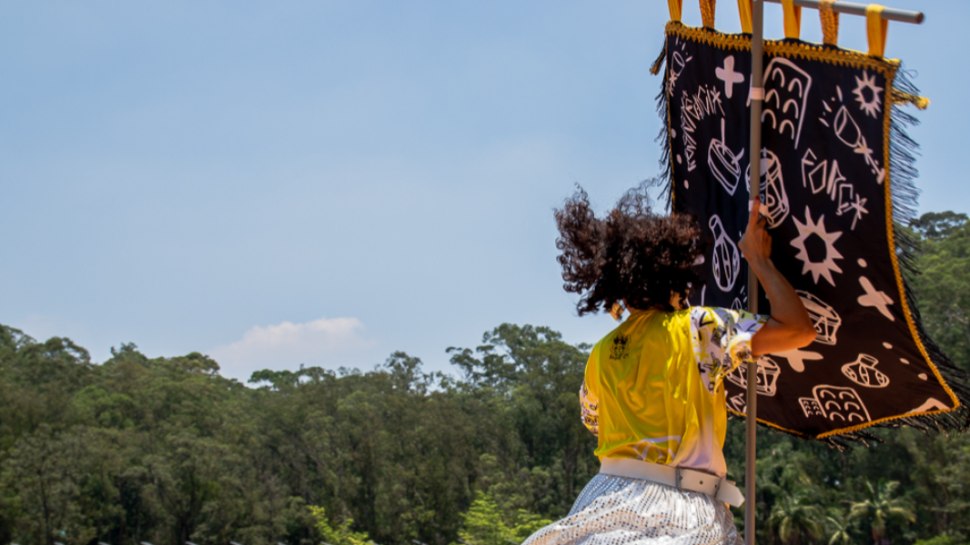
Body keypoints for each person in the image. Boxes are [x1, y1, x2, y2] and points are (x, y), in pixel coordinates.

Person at [523, 185, 816, 545]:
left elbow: (593, 420)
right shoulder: (699, 329)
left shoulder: (599, 354)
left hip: (602, 501)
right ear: (675, 277)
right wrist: (758, 259)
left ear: (618, 287)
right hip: (683, 508)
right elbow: (798, 330)